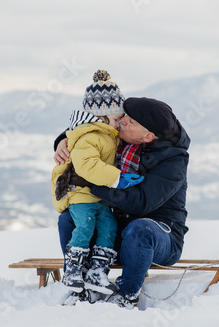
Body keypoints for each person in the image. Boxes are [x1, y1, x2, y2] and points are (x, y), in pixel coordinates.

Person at [54, 96, 190, 308]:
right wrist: (63, 139)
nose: (122, 121)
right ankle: (80, 283)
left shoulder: (173, 160)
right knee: (68, 219)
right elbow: (92, 129)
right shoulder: (120, 139)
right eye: (124, 115)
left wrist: (92, 185)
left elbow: (141, 203)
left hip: (160, 237)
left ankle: (127, 294)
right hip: (117, 231)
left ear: (148, 136)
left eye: (131, 121)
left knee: (140, 228)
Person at [51, 70, 144, 294]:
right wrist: (117, 178)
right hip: (80, 194)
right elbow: (87, 166)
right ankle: (73, 270)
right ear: (101, 117)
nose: (119, 124)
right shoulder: (89, 136)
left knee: (109, 226)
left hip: (97, 196)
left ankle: (97, 272)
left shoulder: (106, 133)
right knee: (84, 226)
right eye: (115, 120)